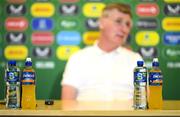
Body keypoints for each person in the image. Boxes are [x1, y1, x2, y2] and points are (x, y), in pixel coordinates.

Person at [61, 3, 143, 101]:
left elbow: (144, 101)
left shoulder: (135, 59)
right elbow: (67, 103)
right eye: (118, 21)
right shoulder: (78, 58)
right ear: (101, 23)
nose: (124, 29)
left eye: (128, 24)